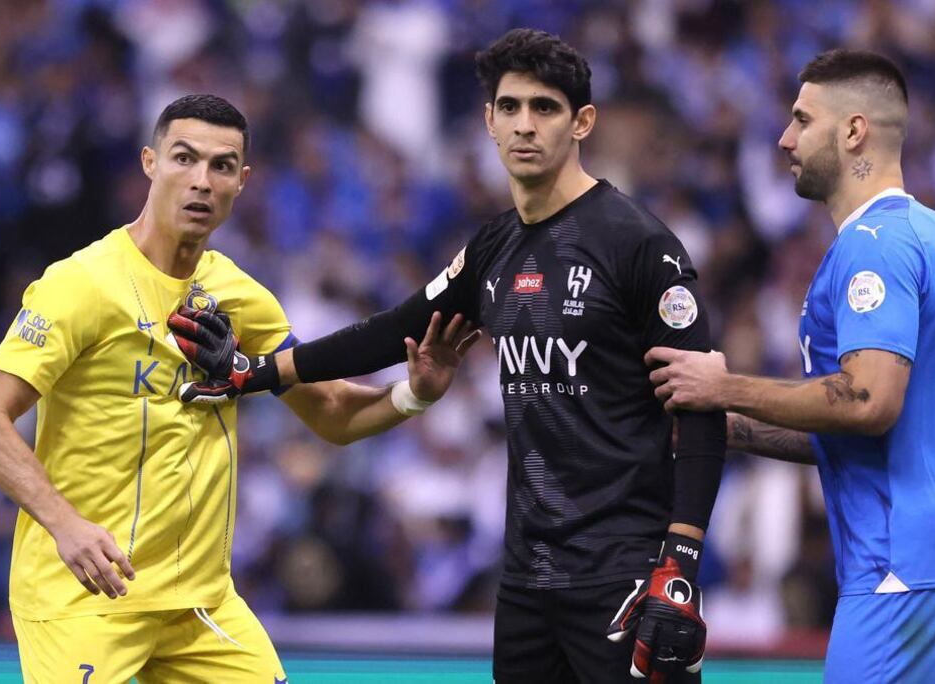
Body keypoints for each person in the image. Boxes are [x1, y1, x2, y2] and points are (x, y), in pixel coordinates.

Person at [170, 29, 724, 683]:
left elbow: (702, 407)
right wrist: (255, 374)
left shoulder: (637, 246)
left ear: (583, 122)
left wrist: (679, 564)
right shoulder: (495, 246)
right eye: (510, 107)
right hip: (525, 580)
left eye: (544, 108)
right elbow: (394, 330)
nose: (524, 125)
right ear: (487, 120)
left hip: (623, 571)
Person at [0, 94, 476, 684]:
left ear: (242, 181)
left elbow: (330, 412)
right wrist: (64, 524)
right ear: (150, 163)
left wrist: (415, 395)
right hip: (85, 593)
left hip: (198, 602)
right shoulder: (80, 286)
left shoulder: (239, 296)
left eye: (221, 166)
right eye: (185, 159)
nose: (202, 181)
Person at [645, 50, 935, 683]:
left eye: (801, 119)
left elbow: (868, 401)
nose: (785, 139)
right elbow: (879, 427)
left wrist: (723, 384)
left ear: (853, 130)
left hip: (901, 567)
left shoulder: (873, 245)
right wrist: (735, 426)